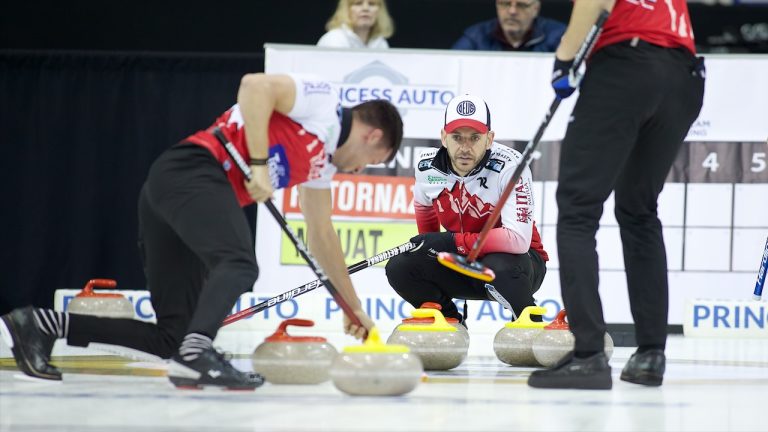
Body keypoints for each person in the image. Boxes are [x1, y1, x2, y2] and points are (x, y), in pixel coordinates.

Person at [0, 73, 403, 390]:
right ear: (373, 135)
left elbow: (322, 236)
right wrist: (259, 165)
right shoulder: (323, 103)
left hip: (180, 194)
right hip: (191, 170)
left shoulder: (324, 166)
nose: (361, 170)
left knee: (171, 338)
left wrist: (354, 309)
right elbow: (254, 85)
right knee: (239, 264)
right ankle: (199, 351)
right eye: (372, 160)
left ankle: (41, 324)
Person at [528, 0, 705, 390]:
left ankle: (589, 354)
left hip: (627, 65)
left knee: (577, 210)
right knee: (639, 210)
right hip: (685, 76)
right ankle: (650, 354)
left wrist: (564, 59)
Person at [385, 94, 548, 326]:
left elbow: (518, 240)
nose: (465, 147)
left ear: (489, 139)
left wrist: (451, 241)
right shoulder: (426, 166)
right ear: (443, 137)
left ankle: (528, 319)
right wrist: (430, 246)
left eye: (475, 138)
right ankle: (447, 318)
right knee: (401, 267)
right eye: (457, 137)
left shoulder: (512, 166)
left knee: (501, 263)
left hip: (518, 267)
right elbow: (424, 208)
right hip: (460, 264)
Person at [452, 0, 565, 52]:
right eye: (505, 3)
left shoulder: (557, 35)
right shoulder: (476, 37)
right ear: (497, 6)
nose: (512, 11)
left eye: (521, 5)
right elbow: (451, 65)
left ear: (535, 9)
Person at [317, 0, 394, 49]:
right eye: (358, 3)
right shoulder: (334, 39)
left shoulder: (381, 44)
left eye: (372, 3)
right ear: (346, 9)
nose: (365, 8)